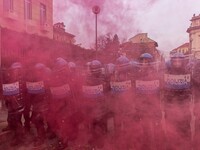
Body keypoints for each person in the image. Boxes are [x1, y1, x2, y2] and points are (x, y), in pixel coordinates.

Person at [133, 53, 163, 150]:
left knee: (155, 128)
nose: (144, 63)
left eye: (146, 61)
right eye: (142, 61)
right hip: (142, 106)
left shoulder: (155, 74)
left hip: (153, 106)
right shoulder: (138, 74)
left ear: (150, 62)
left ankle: (156, 146)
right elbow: (135, 91)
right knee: (145, 128)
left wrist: (157, 108)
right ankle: (146, 146)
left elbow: (159, 92)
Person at [164, 52, 192, 150]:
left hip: (184, 106)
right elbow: (162, 88)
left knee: (185, 128)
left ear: (183, 61)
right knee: (171, 128)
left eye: (179, 60)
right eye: (175, 61)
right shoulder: (167, 73)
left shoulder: (188, 72)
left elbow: (194, 86)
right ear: (172, 62)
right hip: (170, 106)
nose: (177, 63)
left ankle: (186, 146)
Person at [26, 63, 50, 147]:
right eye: (36, 71)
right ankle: (42, 136)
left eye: (39, 71)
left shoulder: (47, 80)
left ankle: (42, 137)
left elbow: (49, 93)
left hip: (44, 104)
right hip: (37, 105)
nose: (37, 72)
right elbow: (31, 93)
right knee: (37, 121)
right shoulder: (34, 79)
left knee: (41, 120)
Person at [2, 62, 25, 146]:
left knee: (17, 121)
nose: (14, 71)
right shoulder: (11, 78)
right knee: (12, 119)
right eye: (13, 70)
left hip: (18, 105)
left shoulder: (21, 80)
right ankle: (12, 128)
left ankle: (20, 139)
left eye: (16, 70)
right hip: (12, 105)